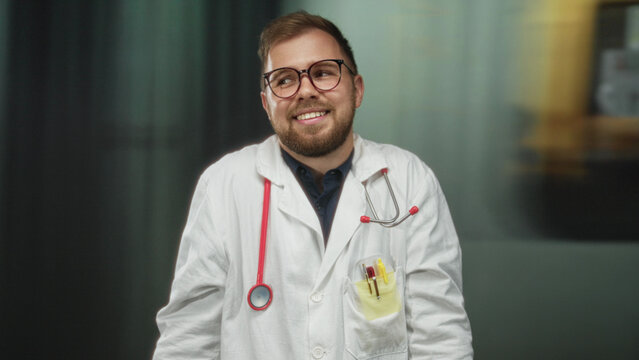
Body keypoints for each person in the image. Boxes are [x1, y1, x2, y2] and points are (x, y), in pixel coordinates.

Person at [153, 11, 473, 360]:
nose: (305, 91)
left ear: (357, 89)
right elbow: (188, 341)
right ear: (266, 103)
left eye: (322, 73)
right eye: (285, 80)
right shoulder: (224, 184)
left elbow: (440, 338)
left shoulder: (409, 180)